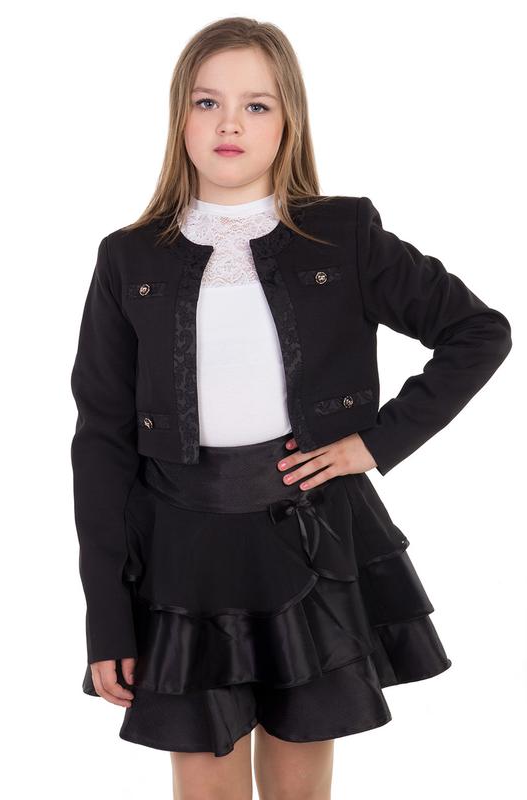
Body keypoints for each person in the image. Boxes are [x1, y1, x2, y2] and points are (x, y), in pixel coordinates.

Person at [70, 16, 513, 800]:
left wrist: (373, 444)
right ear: (179, 116)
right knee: (203, 785)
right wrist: (107, 615)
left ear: (289, 121)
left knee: (299, 787)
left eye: (256, 105)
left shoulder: (341, 236)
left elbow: (477, 332)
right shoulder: (128, 256)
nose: (230, 124)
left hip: (309, 543)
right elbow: (101, 440)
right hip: (182, 555)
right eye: (207, 102)